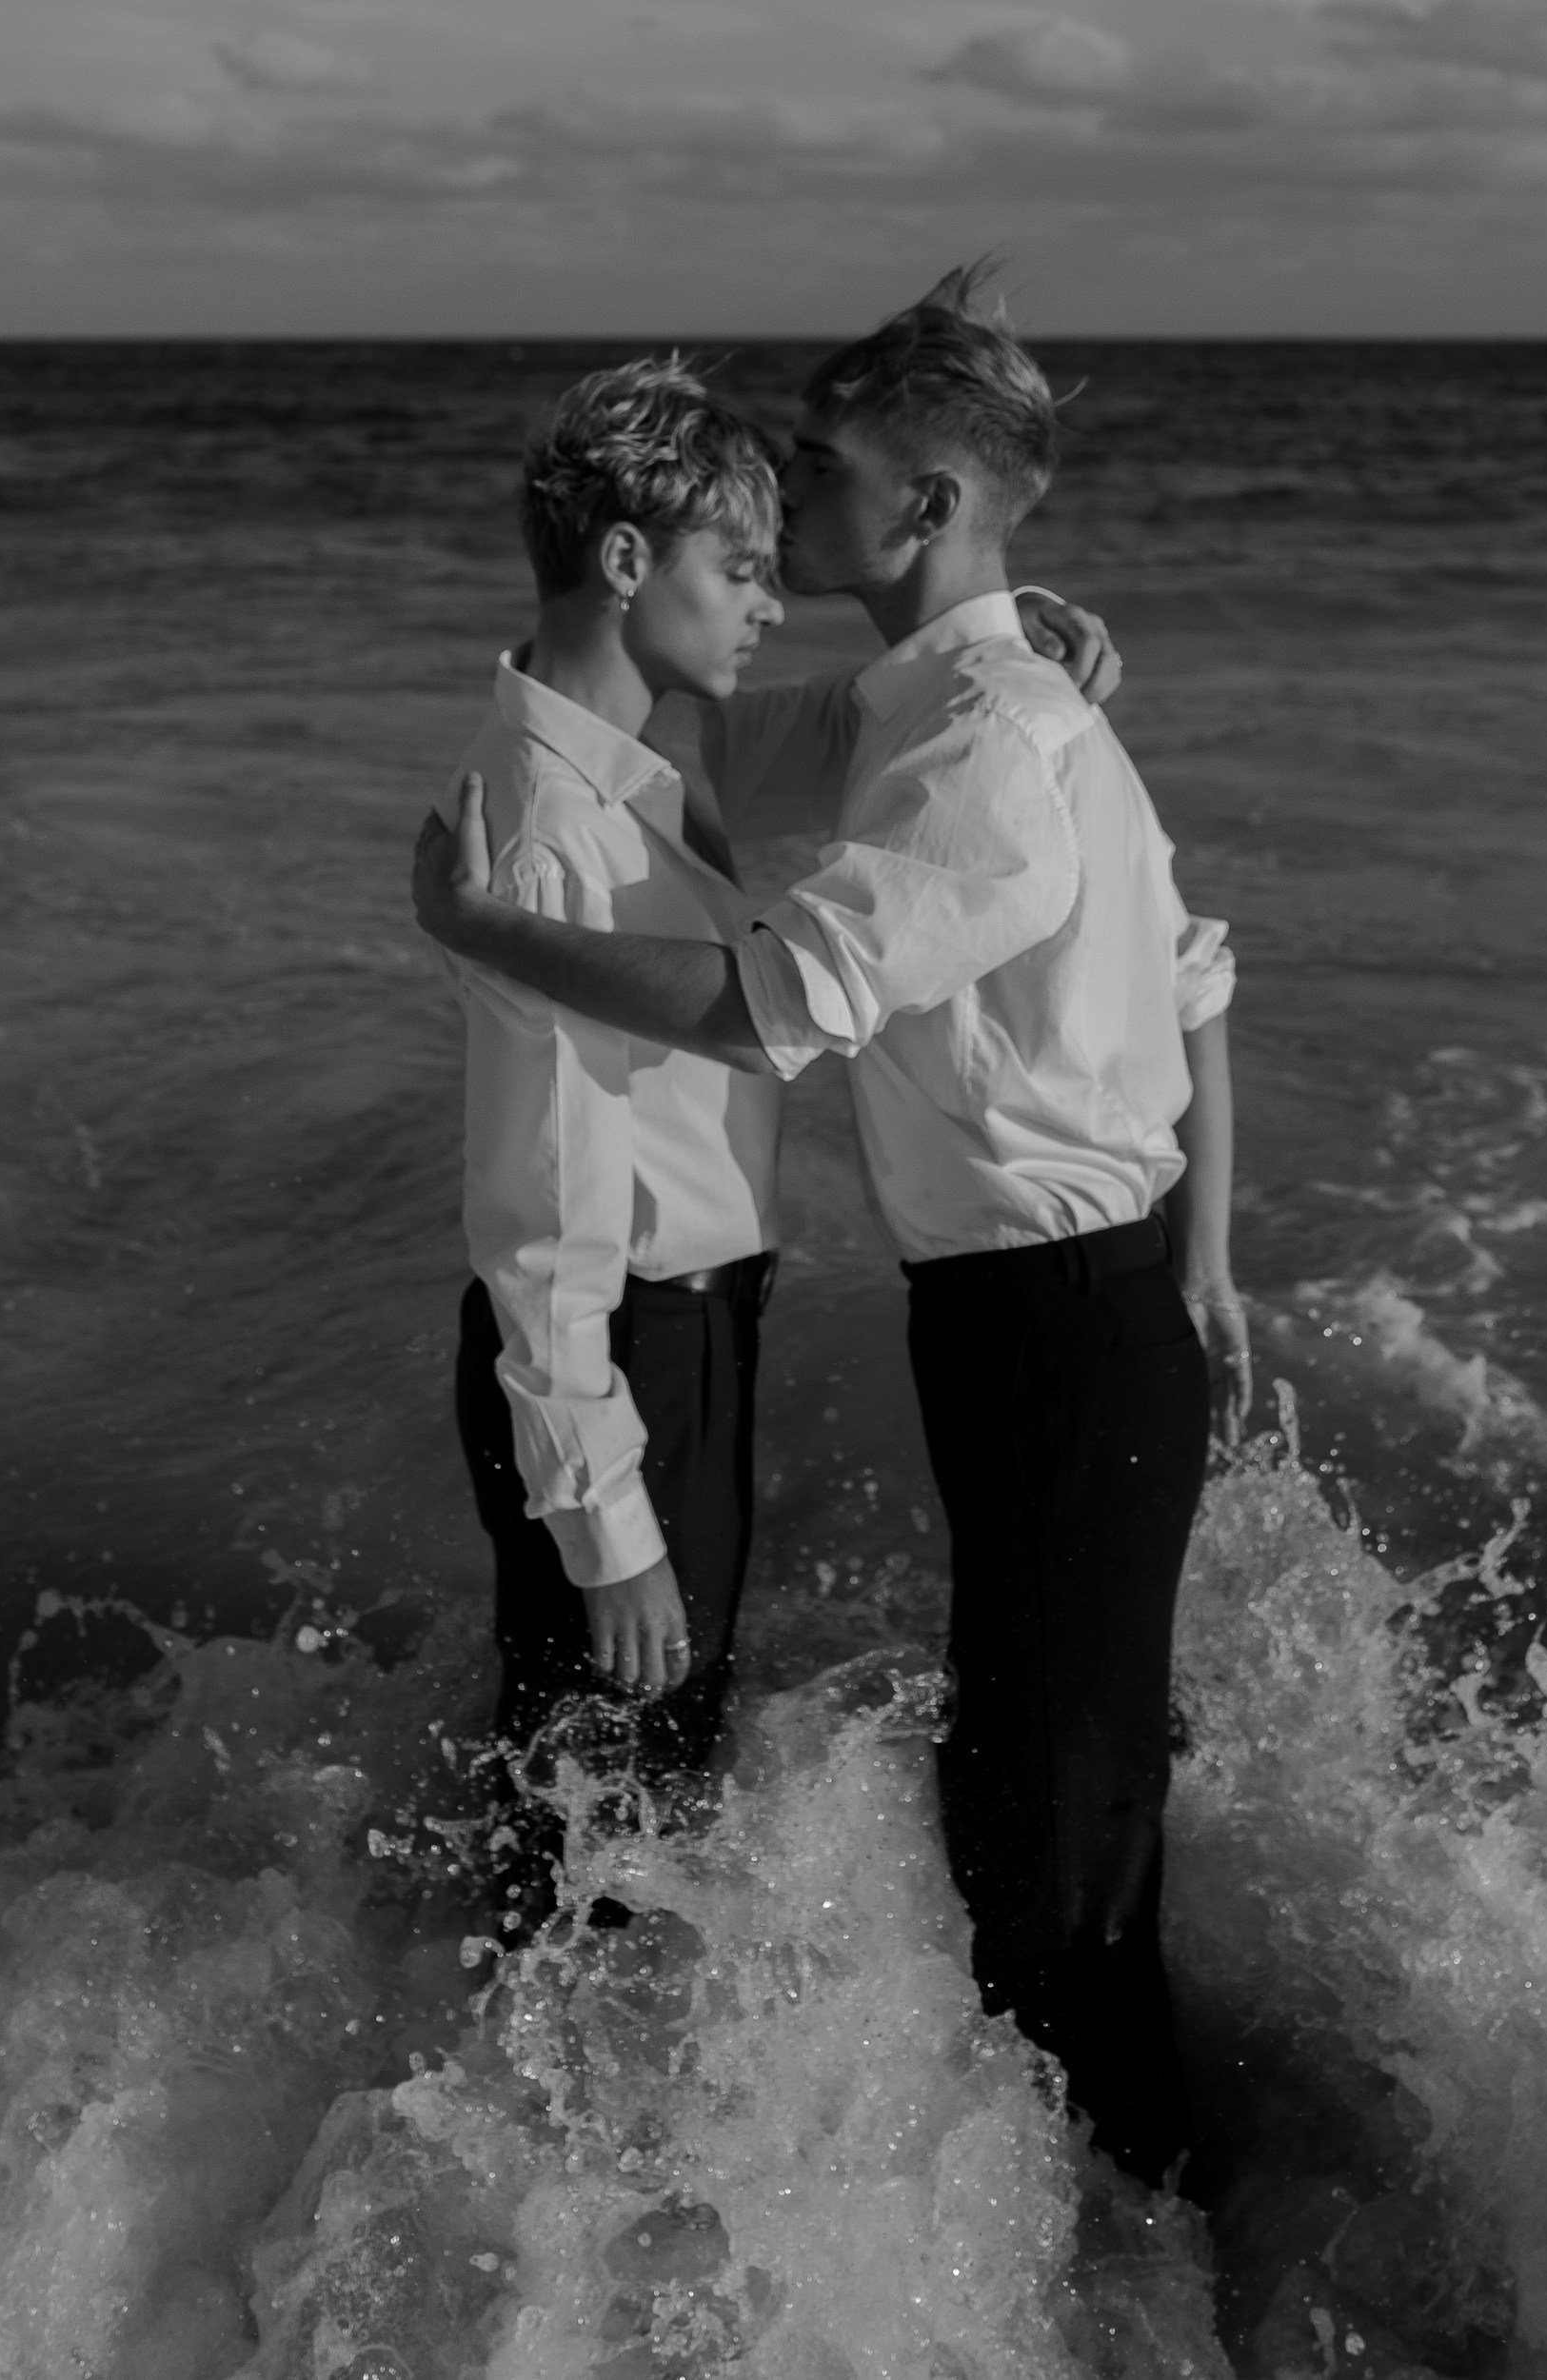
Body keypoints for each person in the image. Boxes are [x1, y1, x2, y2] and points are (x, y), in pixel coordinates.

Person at [414, 270, 1249, 2182]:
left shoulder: (983, 743)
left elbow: (771, 1000)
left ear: (925, 504)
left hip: (1059, 1326)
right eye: (762, 497)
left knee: (1055, 1843)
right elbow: (675, 747)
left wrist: (483, 932)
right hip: (1010, 1321)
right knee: (991, 1806)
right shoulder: (909, 712)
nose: (786, 513)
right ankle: (580, 2187)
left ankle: (1149, 2238)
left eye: (815, 470)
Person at [436, 352, 1119, 1822]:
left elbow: (886, 725)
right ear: (628, 563)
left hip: (672, 1342)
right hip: (623, 1350)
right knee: (608, 1813)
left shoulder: (630, 772)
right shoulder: (551, 835)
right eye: (740, 572)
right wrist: (605, 1521)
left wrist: (1013, 635)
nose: (768, 604)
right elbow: (537, 1209)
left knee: (615, 1793)